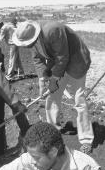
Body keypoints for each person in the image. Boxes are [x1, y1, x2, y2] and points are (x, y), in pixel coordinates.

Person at [12, 20, 94, 154]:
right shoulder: (31, 38)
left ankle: (86, 139)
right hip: (58, 62)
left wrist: (54, 80)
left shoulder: (52, 29)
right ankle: (53, 130)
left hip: (76, 60)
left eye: (28, 44)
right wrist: (42, 78)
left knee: (79, 99)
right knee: (52, 96)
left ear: (35, 35)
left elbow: (63, 57)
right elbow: (37, 59)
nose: (27, 46)